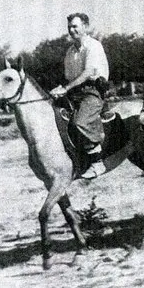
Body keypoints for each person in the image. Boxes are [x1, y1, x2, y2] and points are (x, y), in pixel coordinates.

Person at [49, 13, 110, 179]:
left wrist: (66, 88)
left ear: (85, 27)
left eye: (75, 26)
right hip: (75, 92)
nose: (71, 30)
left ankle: (97, 162)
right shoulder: (70, 51)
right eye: (69, 27)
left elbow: (88, 73)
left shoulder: (93, 46)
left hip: (93, 91)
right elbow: (69, 77)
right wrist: (60, 89)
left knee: (80, 122)